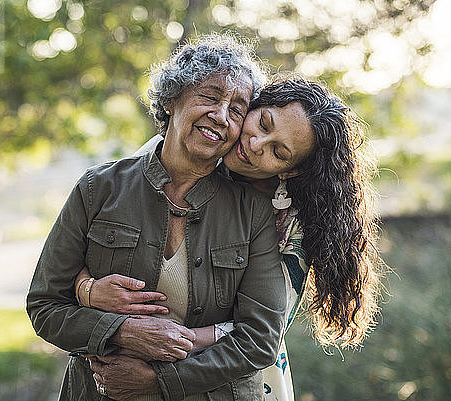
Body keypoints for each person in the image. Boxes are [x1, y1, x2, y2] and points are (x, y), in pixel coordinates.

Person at [75, 74, 383, 401]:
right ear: (253, 106)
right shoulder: (174, 153)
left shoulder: (289, 225)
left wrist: (156, 348)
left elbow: (261, 332)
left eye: (277, 152)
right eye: (263, 124)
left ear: (290, 171)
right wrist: (89, 290)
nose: (255, 145)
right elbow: (85, 248)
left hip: (227, 377)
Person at [27, 34, 291, 401]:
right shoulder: (97, 188)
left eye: (236, 108)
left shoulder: (252, 212)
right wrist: (121, 331)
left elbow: (260, 340)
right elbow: (45, 306)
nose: (221, 116)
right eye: (211, 97)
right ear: (172, 99)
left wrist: (162, 382)